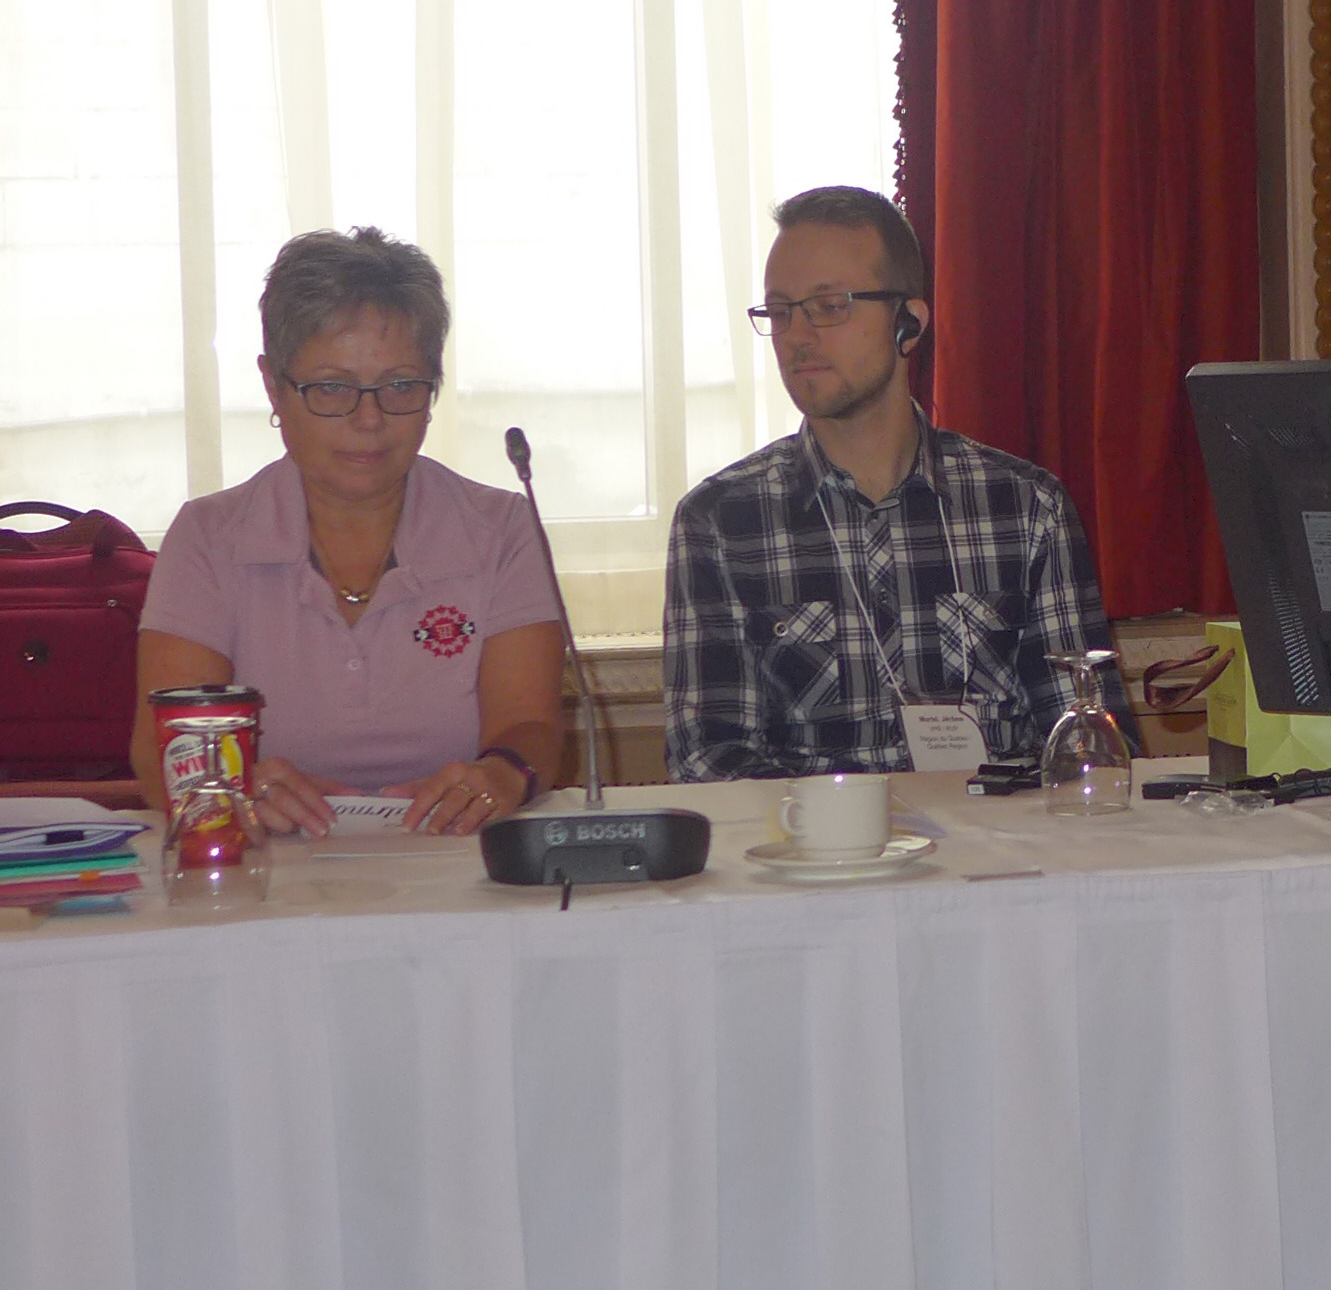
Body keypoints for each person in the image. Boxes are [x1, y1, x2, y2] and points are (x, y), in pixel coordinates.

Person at [662, 185, 1129, 780]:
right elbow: (707, 757)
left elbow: (1089, 743)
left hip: (997, 860)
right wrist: (855, 828)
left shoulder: (1026, 508)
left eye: (828, 306)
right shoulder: (720, 522)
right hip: (814, 860)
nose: (797, 336)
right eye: (779, 312)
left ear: (909, 323)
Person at [130, 229, 566, 835]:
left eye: (400, 386)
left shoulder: (500, 529)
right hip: (263, 867)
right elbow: (162, 753)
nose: (369, 419)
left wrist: (502, 773)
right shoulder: (208, 537)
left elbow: (532, 728)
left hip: (455, 860)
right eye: (332, 387)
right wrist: (226, 787)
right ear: (273, 386)